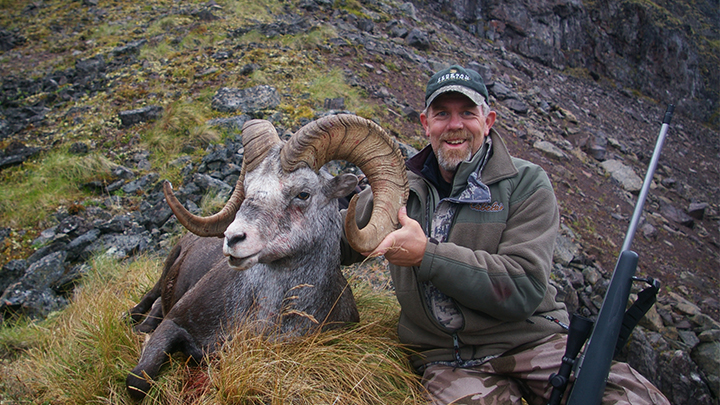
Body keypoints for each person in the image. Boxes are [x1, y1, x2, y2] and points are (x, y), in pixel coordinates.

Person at [341, 65, 669, 404]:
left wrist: (428, 255)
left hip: (535, 342)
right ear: (425, 123)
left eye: (467, 112)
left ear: (488, 120)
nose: (454, 125)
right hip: (451, 360)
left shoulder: (526, 183)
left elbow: (523, 286)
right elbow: (333, 235)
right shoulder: (398, 186)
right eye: (442, 114)